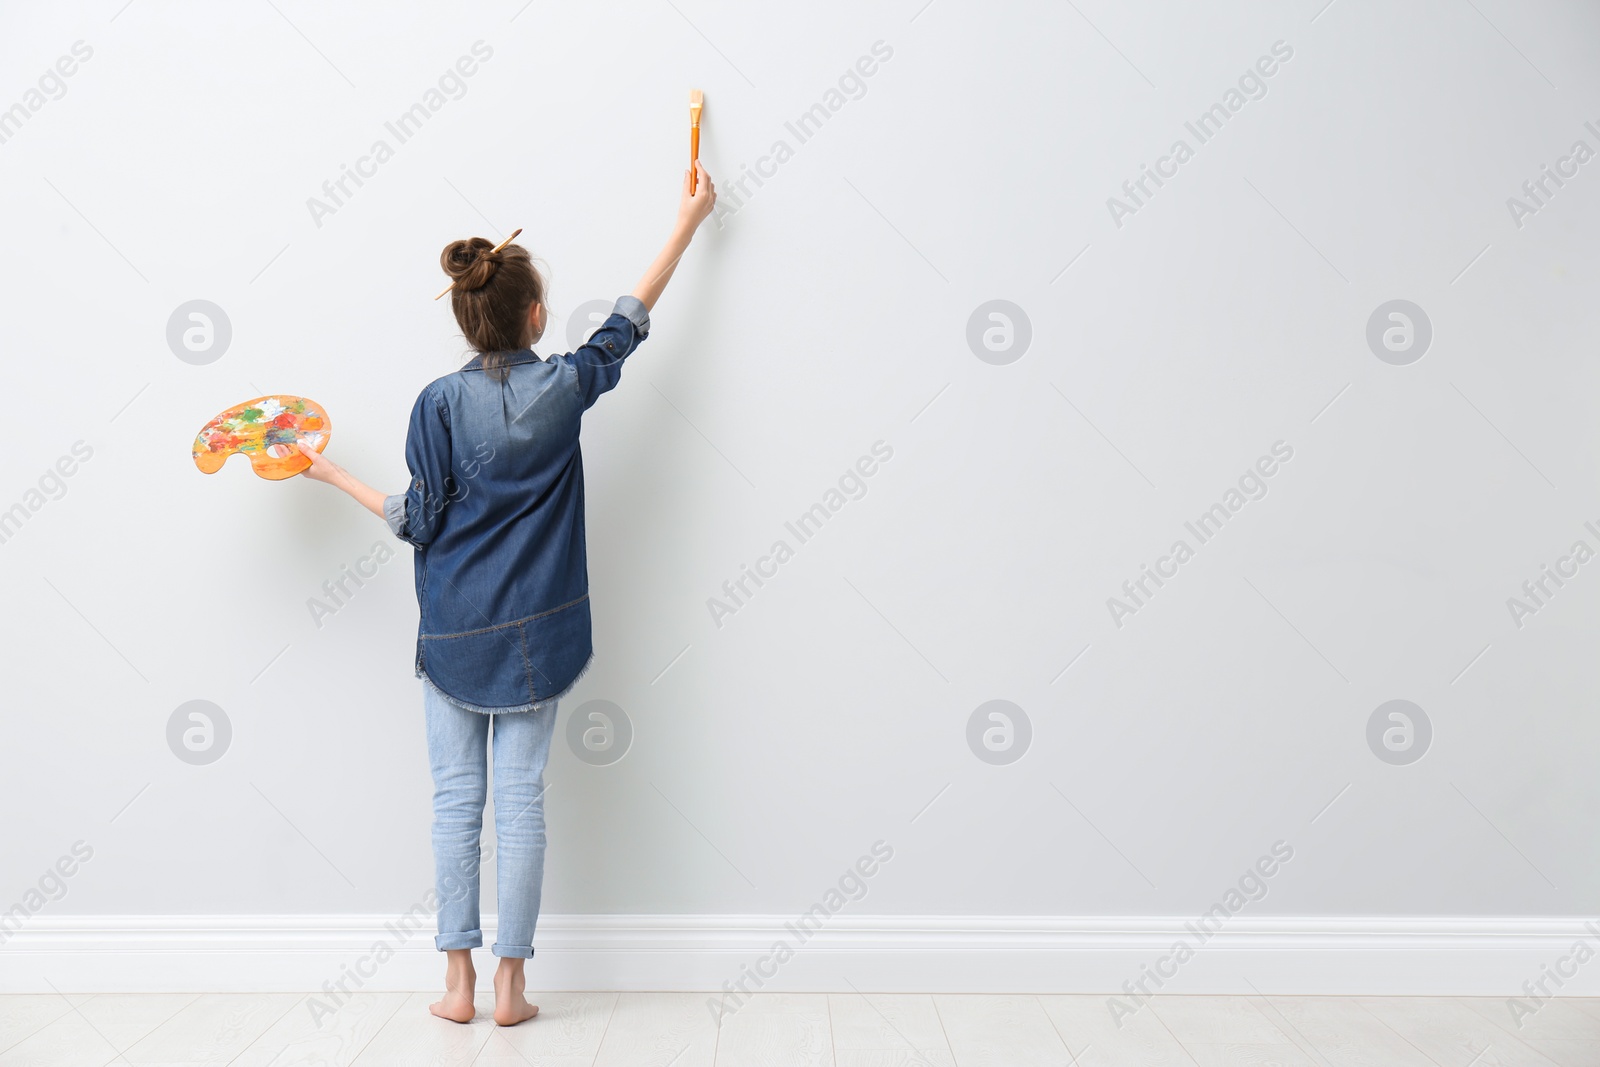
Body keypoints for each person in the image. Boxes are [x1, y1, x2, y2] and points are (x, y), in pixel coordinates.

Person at [295, 162, 717, 1025]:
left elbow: (419, 520)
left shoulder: (437, 405)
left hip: (453, 633)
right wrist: (688, 220)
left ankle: (455, 984)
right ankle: (512, 990)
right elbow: (630, 320)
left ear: (465, 317)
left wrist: (332, 472)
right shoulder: (564, 388)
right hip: (539, 637)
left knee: (457, 803)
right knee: (520, 804)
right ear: (534, 315)